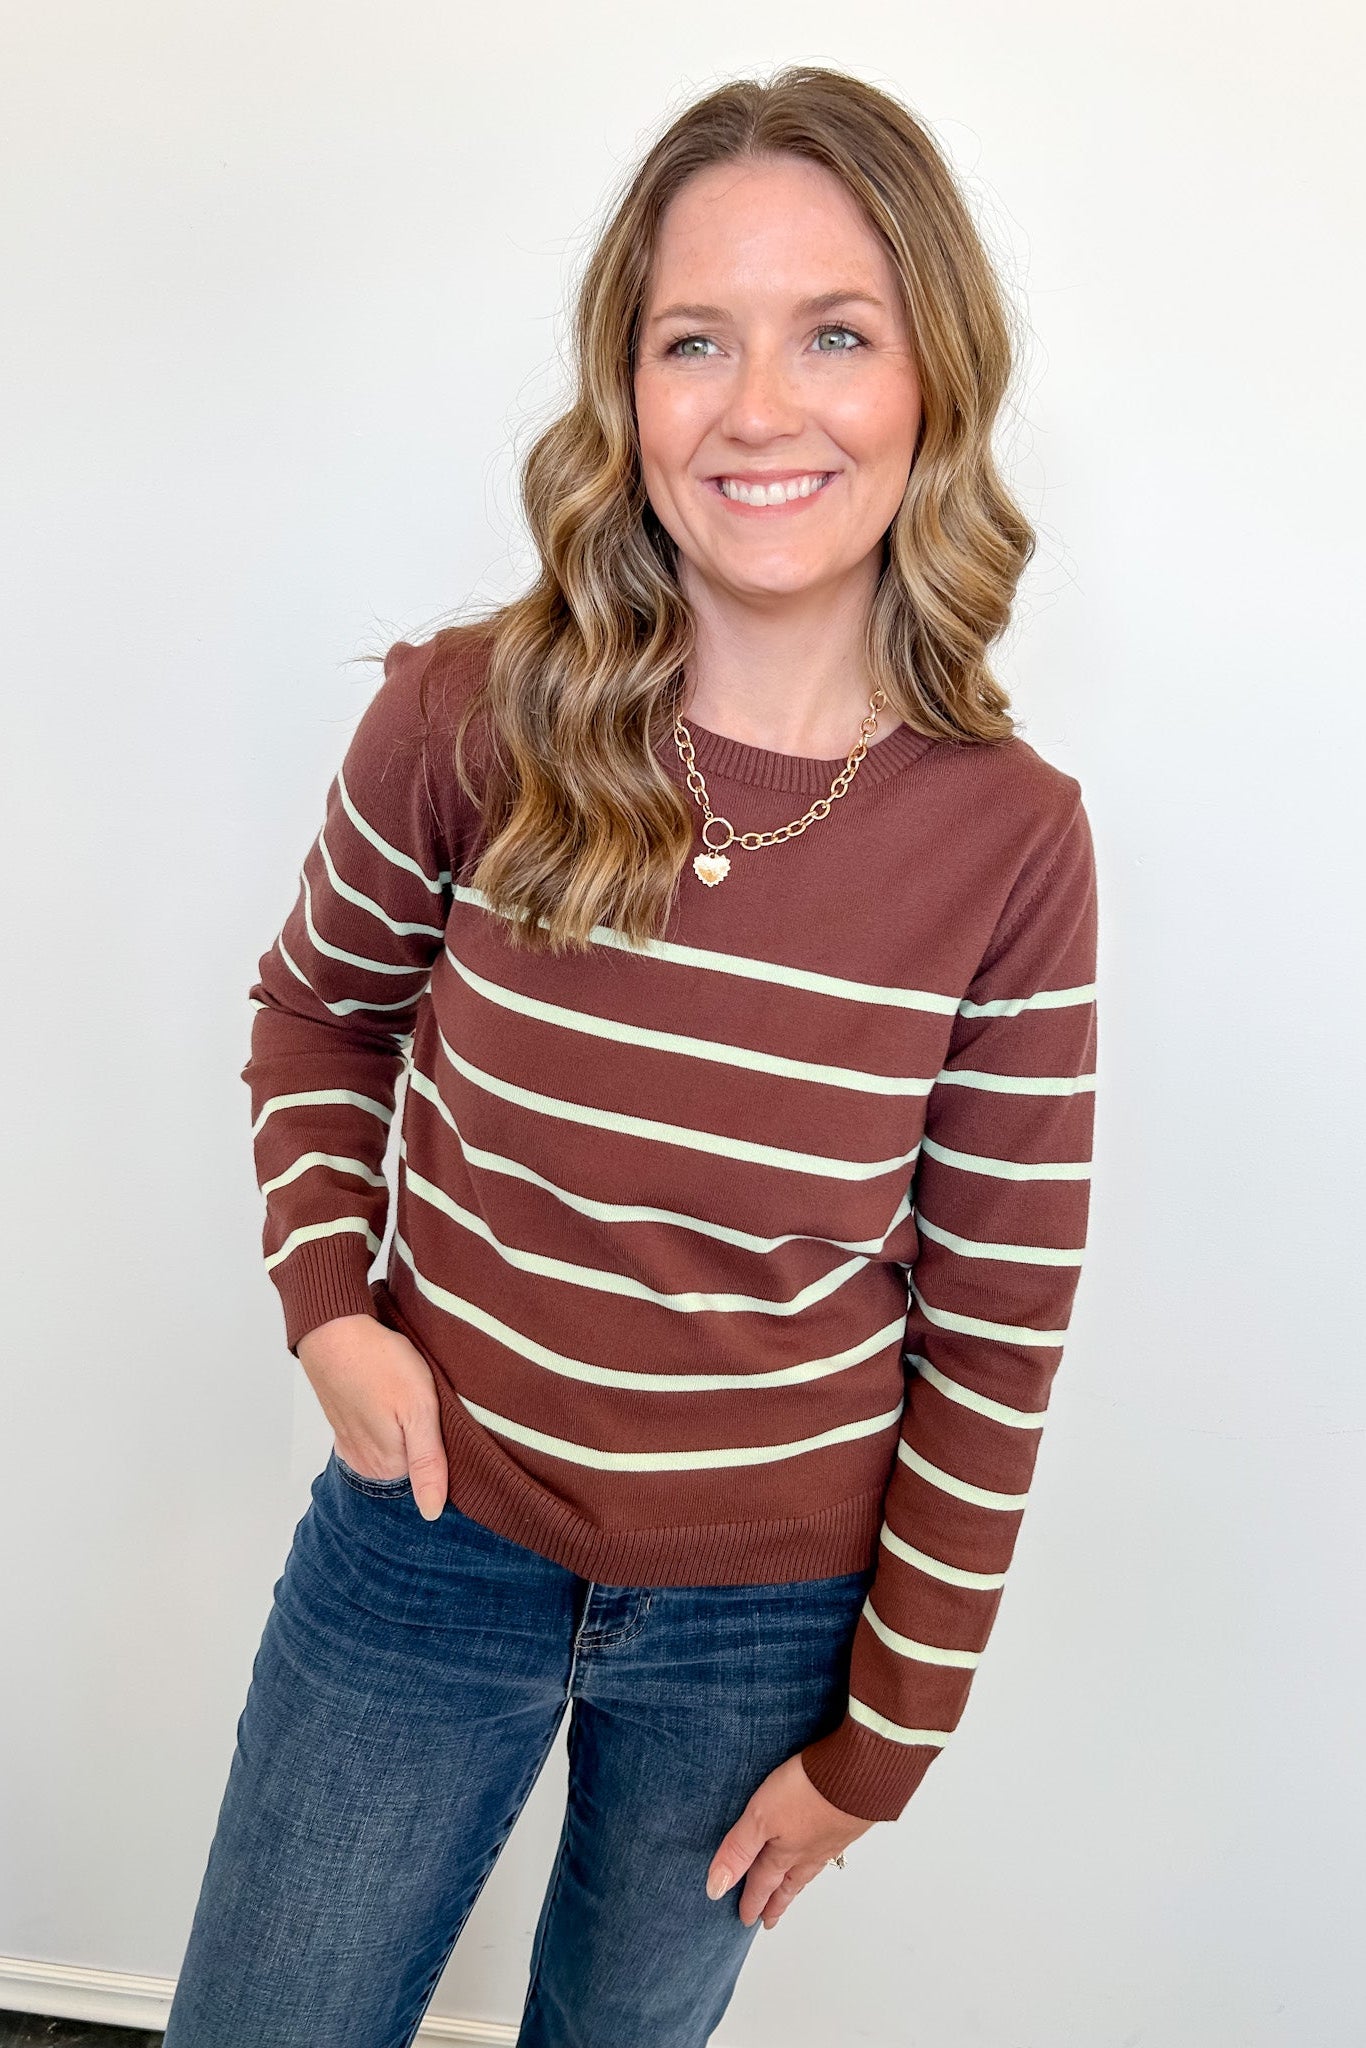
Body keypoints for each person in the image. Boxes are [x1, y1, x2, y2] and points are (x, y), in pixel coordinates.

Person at [163, 61, 1099, 2048]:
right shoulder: (467, 714)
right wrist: (330, 1303)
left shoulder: (1008, 839)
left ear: (930, 374)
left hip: (767, 1630)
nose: (759, 406)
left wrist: (885, 1736)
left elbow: (995, 1324)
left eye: (831, 333)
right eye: (697, 341)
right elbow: (318, 1010)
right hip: (426, 1544)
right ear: (627, 389)